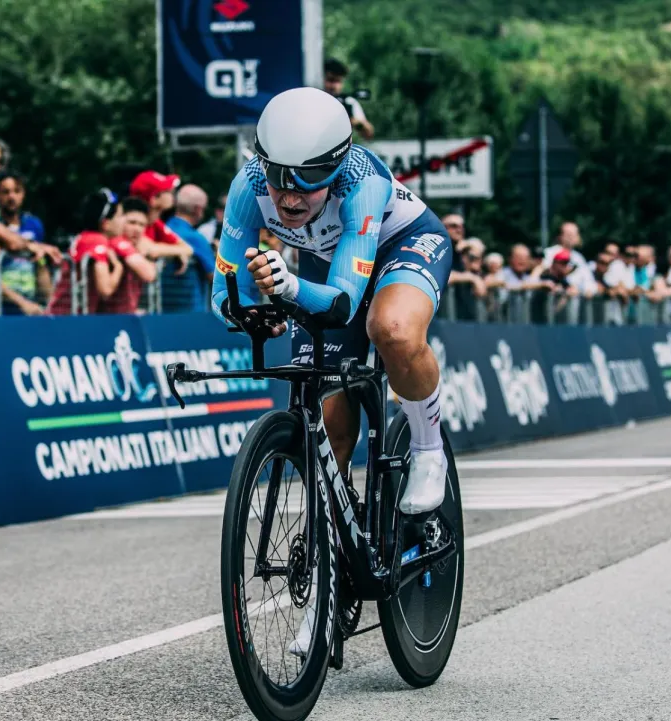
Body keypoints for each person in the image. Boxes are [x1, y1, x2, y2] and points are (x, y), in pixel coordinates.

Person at [214, 88, 455, 656]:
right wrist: (252, 309)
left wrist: (289, 287)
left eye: (307, 179)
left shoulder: (360, 182)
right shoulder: (248, 187)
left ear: (336, 165)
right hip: (327, 261)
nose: (289, 196)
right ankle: (329, 587)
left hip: (399, 244)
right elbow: (228, 289)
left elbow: (345, 302)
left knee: (390, 329)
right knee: (326, 424)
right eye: (278, 177)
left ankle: (426, 446)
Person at [46, 188, 125, 315]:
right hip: (67, 320)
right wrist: (118, 267)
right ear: (106, 223)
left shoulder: (87, 237)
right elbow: (105, 289)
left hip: (63, 317)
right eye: (120, 216)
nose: (124, 221)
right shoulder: (96, 240)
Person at [0, 171, 53, 315]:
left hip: (30, 307)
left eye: (17, 191)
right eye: (6, 192)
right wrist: (21, 302)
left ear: (23, 194)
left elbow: (40, 266)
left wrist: (50, 303)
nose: (12, 197)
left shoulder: (34, 224)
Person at [98, 196, 159, 315]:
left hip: (123, 316)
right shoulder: (116, 242)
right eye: (132, 223)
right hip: (108, 318)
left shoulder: (133, 246)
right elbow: (149, 274)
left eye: (142, 225)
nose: (137, 229)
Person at [163, 184, 216, 313]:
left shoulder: (163, 229)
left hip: (160, 309)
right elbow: (215, 277)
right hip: (190, 311)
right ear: (198, 209)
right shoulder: (196, 238)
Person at [323, 58, 374, 140]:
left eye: (338, 81)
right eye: (331, 80)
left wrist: (353, 121)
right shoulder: (315, 100)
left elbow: (368, 133)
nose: (334, 86)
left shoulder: (348, 102)